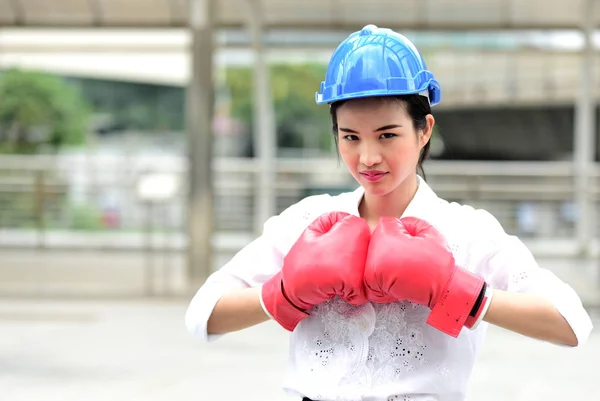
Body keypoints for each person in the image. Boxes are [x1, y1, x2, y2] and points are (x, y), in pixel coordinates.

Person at [185, 25, 593, 401]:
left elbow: (571, 324)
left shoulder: (466, 230)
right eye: (350, 137)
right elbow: (203, 316)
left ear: (424, 130)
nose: (367, 157)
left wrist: (461, 293)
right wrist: (284, 292)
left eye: (387, 135)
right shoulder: (309, 222)